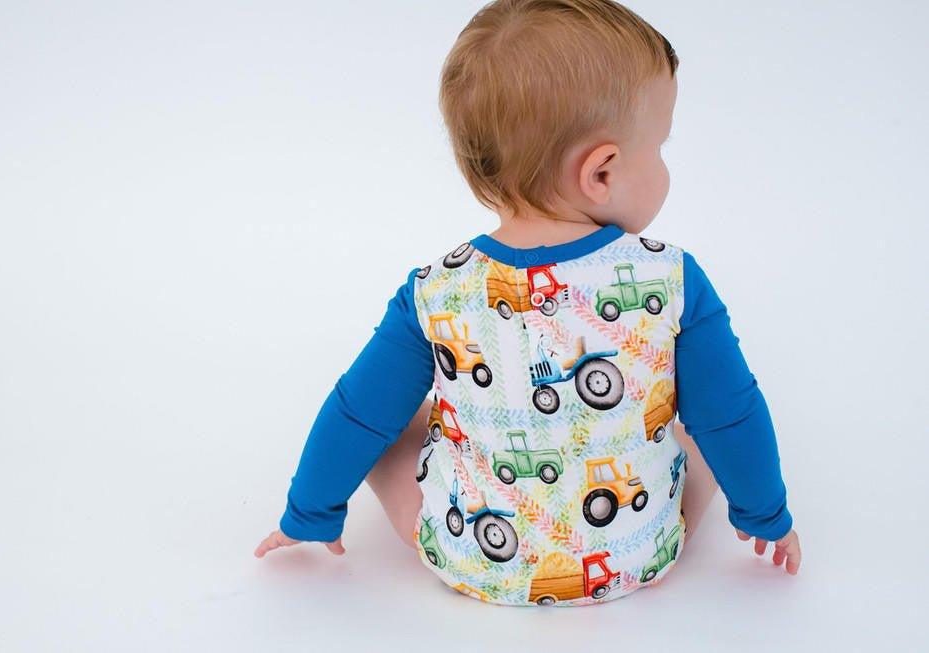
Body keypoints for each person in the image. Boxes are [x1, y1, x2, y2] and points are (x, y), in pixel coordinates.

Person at [255, 0, 802, 606]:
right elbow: (733, 414)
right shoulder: (671, 277)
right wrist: (764, 513)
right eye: (660, 146)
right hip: (639, 556)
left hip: (469, 560)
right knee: (701, 429)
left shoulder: (434, 289)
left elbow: (354, 413)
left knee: (388, 421)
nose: (665, 162)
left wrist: (309, 511)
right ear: (602, 173)